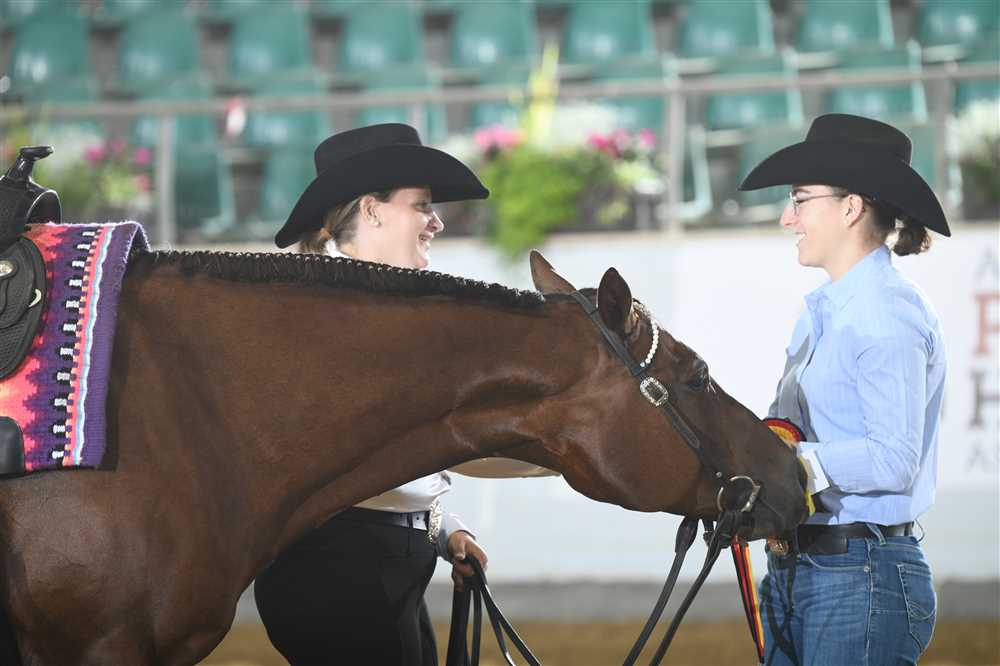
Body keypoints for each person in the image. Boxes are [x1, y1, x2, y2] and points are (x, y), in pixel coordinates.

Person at [255, 123, 556, 666]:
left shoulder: (363, 308)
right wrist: (565, 453)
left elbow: (401, 462)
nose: (436, 222)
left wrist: (444, 530)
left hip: (374, 565)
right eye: (422, 206)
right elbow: (426, 441)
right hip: (341, 570)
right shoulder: (324, 312)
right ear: (371, 211)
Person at [739, 113, 950, 665]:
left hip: (861, 574)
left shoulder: (884, 313)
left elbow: (892, 459)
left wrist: (785, 464)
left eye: (800, 200)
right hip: (811, 566)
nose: (788, 217)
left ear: (850, 206)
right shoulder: (825, 312)